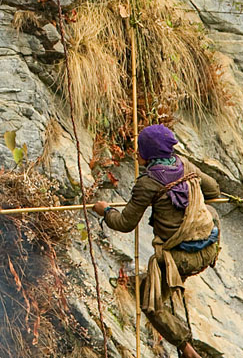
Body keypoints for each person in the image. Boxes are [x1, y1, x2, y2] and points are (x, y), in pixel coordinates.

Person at [92, 124, 222, 358]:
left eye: (140, 148)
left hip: (182, 259)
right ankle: (160, 283)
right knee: (210, 213)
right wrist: (189, 205)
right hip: (211, 246)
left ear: (148, 153)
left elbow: (124, 223)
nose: (136, 152)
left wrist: (105, 210)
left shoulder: (148, 183)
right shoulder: (184, 164)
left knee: (149, 303)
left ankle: (188, 350)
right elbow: (213, 189)